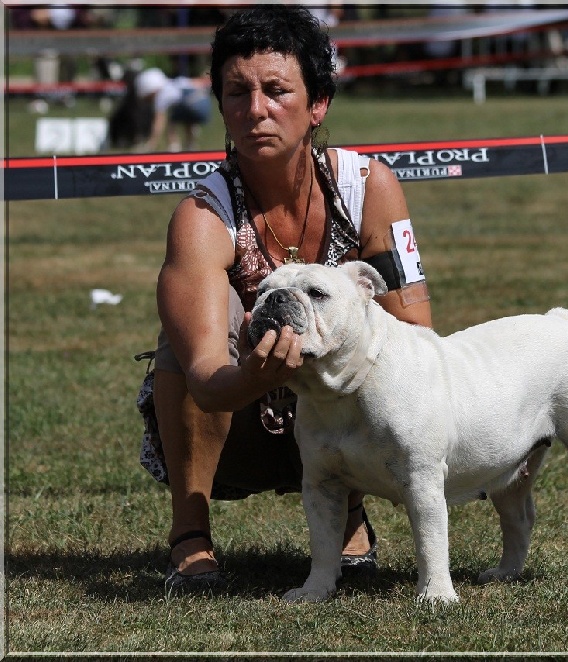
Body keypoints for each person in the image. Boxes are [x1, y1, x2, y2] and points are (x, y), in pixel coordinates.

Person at [136, 4, 432, 594]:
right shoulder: (201, 216)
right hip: (237, 425)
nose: (255, 109)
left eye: (276, 90)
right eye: (236, 92)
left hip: (351, 424)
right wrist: (257, 374)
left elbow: (417, 338)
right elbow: (205, 380)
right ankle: (190, 536)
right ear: (220, 105)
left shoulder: (370, 187)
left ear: (318, 103)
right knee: (185, 334)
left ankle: (348, 512)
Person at [135, 66, 211, 152]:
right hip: (203, 103)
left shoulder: (162, 94)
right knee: (187, 119)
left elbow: (159, 122)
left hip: (190, 103)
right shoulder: (175, 82)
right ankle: (191, 145)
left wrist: (152, 143)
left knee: (171, 120)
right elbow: (198, 82)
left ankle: (174, 146)